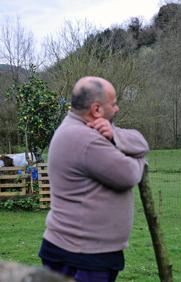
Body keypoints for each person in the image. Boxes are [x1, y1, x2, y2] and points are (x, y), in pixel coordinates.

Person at [38, 76, 149, 282]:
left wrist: (115, 135)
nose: (117, 109)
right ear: (96, 110)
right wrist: (141, 161)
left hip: (79, 250)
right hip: (82, 255)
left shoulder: (76, 128)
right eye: (113, 104)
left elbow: (141, 142)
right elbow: (130, 175)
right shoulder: (85, 138)